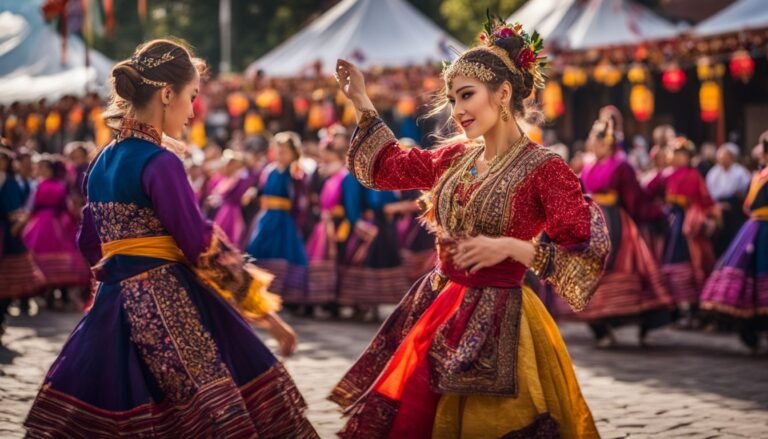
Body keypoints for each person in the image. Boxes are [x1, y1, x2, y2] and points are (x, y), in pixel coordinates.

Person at [330, 16, 609, 438]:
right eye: (452, 99)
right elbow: (387, 168)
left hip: (506, 317)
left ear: (503, 93)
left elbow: (584, 249)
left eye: (466, 96)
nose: (457, 112)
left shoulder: (545, 168)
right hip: (440, 306)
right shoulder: (455, 158)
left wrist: (515, 250)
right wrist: (362, 102)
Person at [24, 39, 317, 437]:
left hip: (112, 305)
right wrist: (266, 314)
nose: (193, 110)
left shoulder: (101, 161)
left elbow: (90, 244)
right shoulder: (161, 162)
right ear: (166, 93)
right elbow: (200, 243)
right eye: (192, 96)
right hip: (169, 305)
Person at [579, 109, 673, 347]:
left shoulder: (621, 165)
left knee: (617, 267)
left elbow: (634, 198)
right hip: (592, 221)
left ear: (606, 143)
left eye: (594, 141)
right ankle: (599, 325)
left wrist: (657, 215)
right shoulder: (588, 165)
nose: (591, 145)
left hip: (616, 224)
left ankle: (624, 320)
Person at [701, 131, 768, 351]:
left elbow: (746, 202)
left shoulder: (757, 174)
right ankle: (749, 327)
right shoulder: (760, 174)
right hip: (755, 227)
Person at [659, 138, 719, 328]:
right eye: (675, 154)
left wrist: (709, 217)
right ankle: (675, 309)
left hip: (687, 224)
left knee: (689, 264)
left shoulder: (693, 175)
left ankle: (693, 310)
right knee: (668, 262)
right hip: (671, 220)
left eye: (682, 154)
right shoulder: (668, 174)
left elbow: (704, 199)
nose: (677, 158)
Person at [246, 131, 310, 303]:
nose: (280, 155)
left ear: (293, 152)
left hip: (283, 220)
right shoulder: (269, 170)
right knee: (258, 251)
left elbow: (300, 199)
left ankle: (285, 296)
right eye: (278, 151)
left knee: (284, 254)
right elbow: (261, 189)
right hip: (267, 218)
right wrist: (253, 193)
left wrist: (298, 221)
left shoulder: (295, 171)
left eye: (284, 152)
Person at [0, 147, 45, 343]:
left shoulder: (10, 182)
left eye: (3, 159)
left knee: (8, 280)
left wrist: (18, 223)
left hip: (8, 235)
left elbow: (16, 210)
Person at [706, 142, 751, 257]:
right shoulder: (713, 173)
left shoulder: (740, 172)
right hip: (717, 206)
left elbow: (742, 192)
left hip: (734, 207)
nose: (723, 160)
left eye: (726, 157)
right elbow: (709, 192)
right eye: (721, 157)